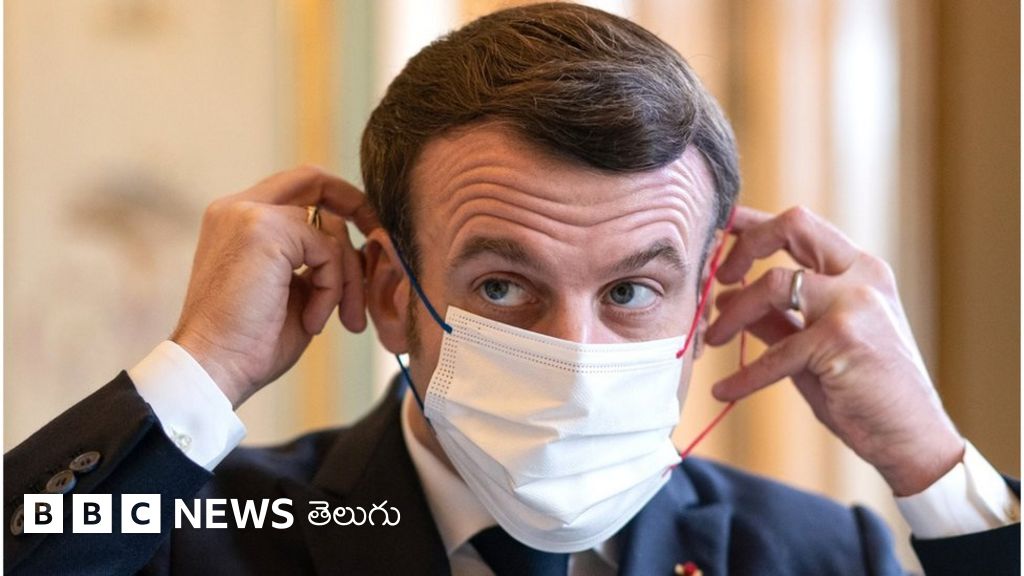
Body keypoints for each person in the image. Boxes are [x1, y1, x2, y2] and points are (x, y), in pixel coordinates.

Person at [4, 3, 1019, 575]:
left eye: (631, 291)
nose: (574, 355)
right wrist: (203, 369)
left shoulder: (812, 554)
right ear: (392, 294)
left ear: (706, 296)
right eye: (501, 285)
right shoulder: (197, 536)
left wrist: (932, 467)